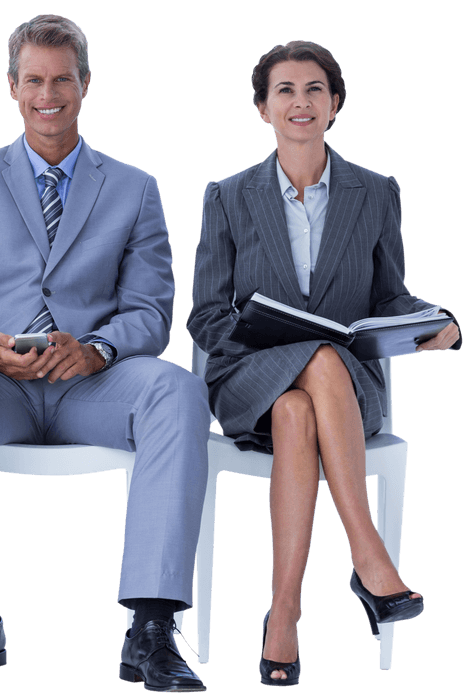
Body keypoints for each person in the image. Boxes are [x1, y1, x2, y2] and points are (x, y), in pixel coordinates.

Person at [0, 15, 209, 691]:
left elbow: (150, 310)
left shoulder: (135, 188)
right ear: (11, 86)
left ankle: (151, 628)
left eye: (62, 79)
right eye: (33, 80)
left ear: (85, 84)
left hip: (93, 385)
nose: (48, 94)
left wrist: (96, 350)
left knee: (179, 391)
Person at [187, 40, 460, 686]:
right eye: (284, 90)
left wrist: (434, 320)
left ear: (335, 104)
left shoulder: (377, 192)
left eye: (315, 89)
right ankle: (368, 556)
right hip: (249, 378)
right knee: (310, 364)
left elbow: (389, 295)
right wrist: (262, 338)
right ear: (263, 108)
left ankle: (283, 613)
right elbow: (205, 313)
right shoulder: (227, 196)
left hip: (343, 394)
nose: (300, 102)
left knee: (300, 404)